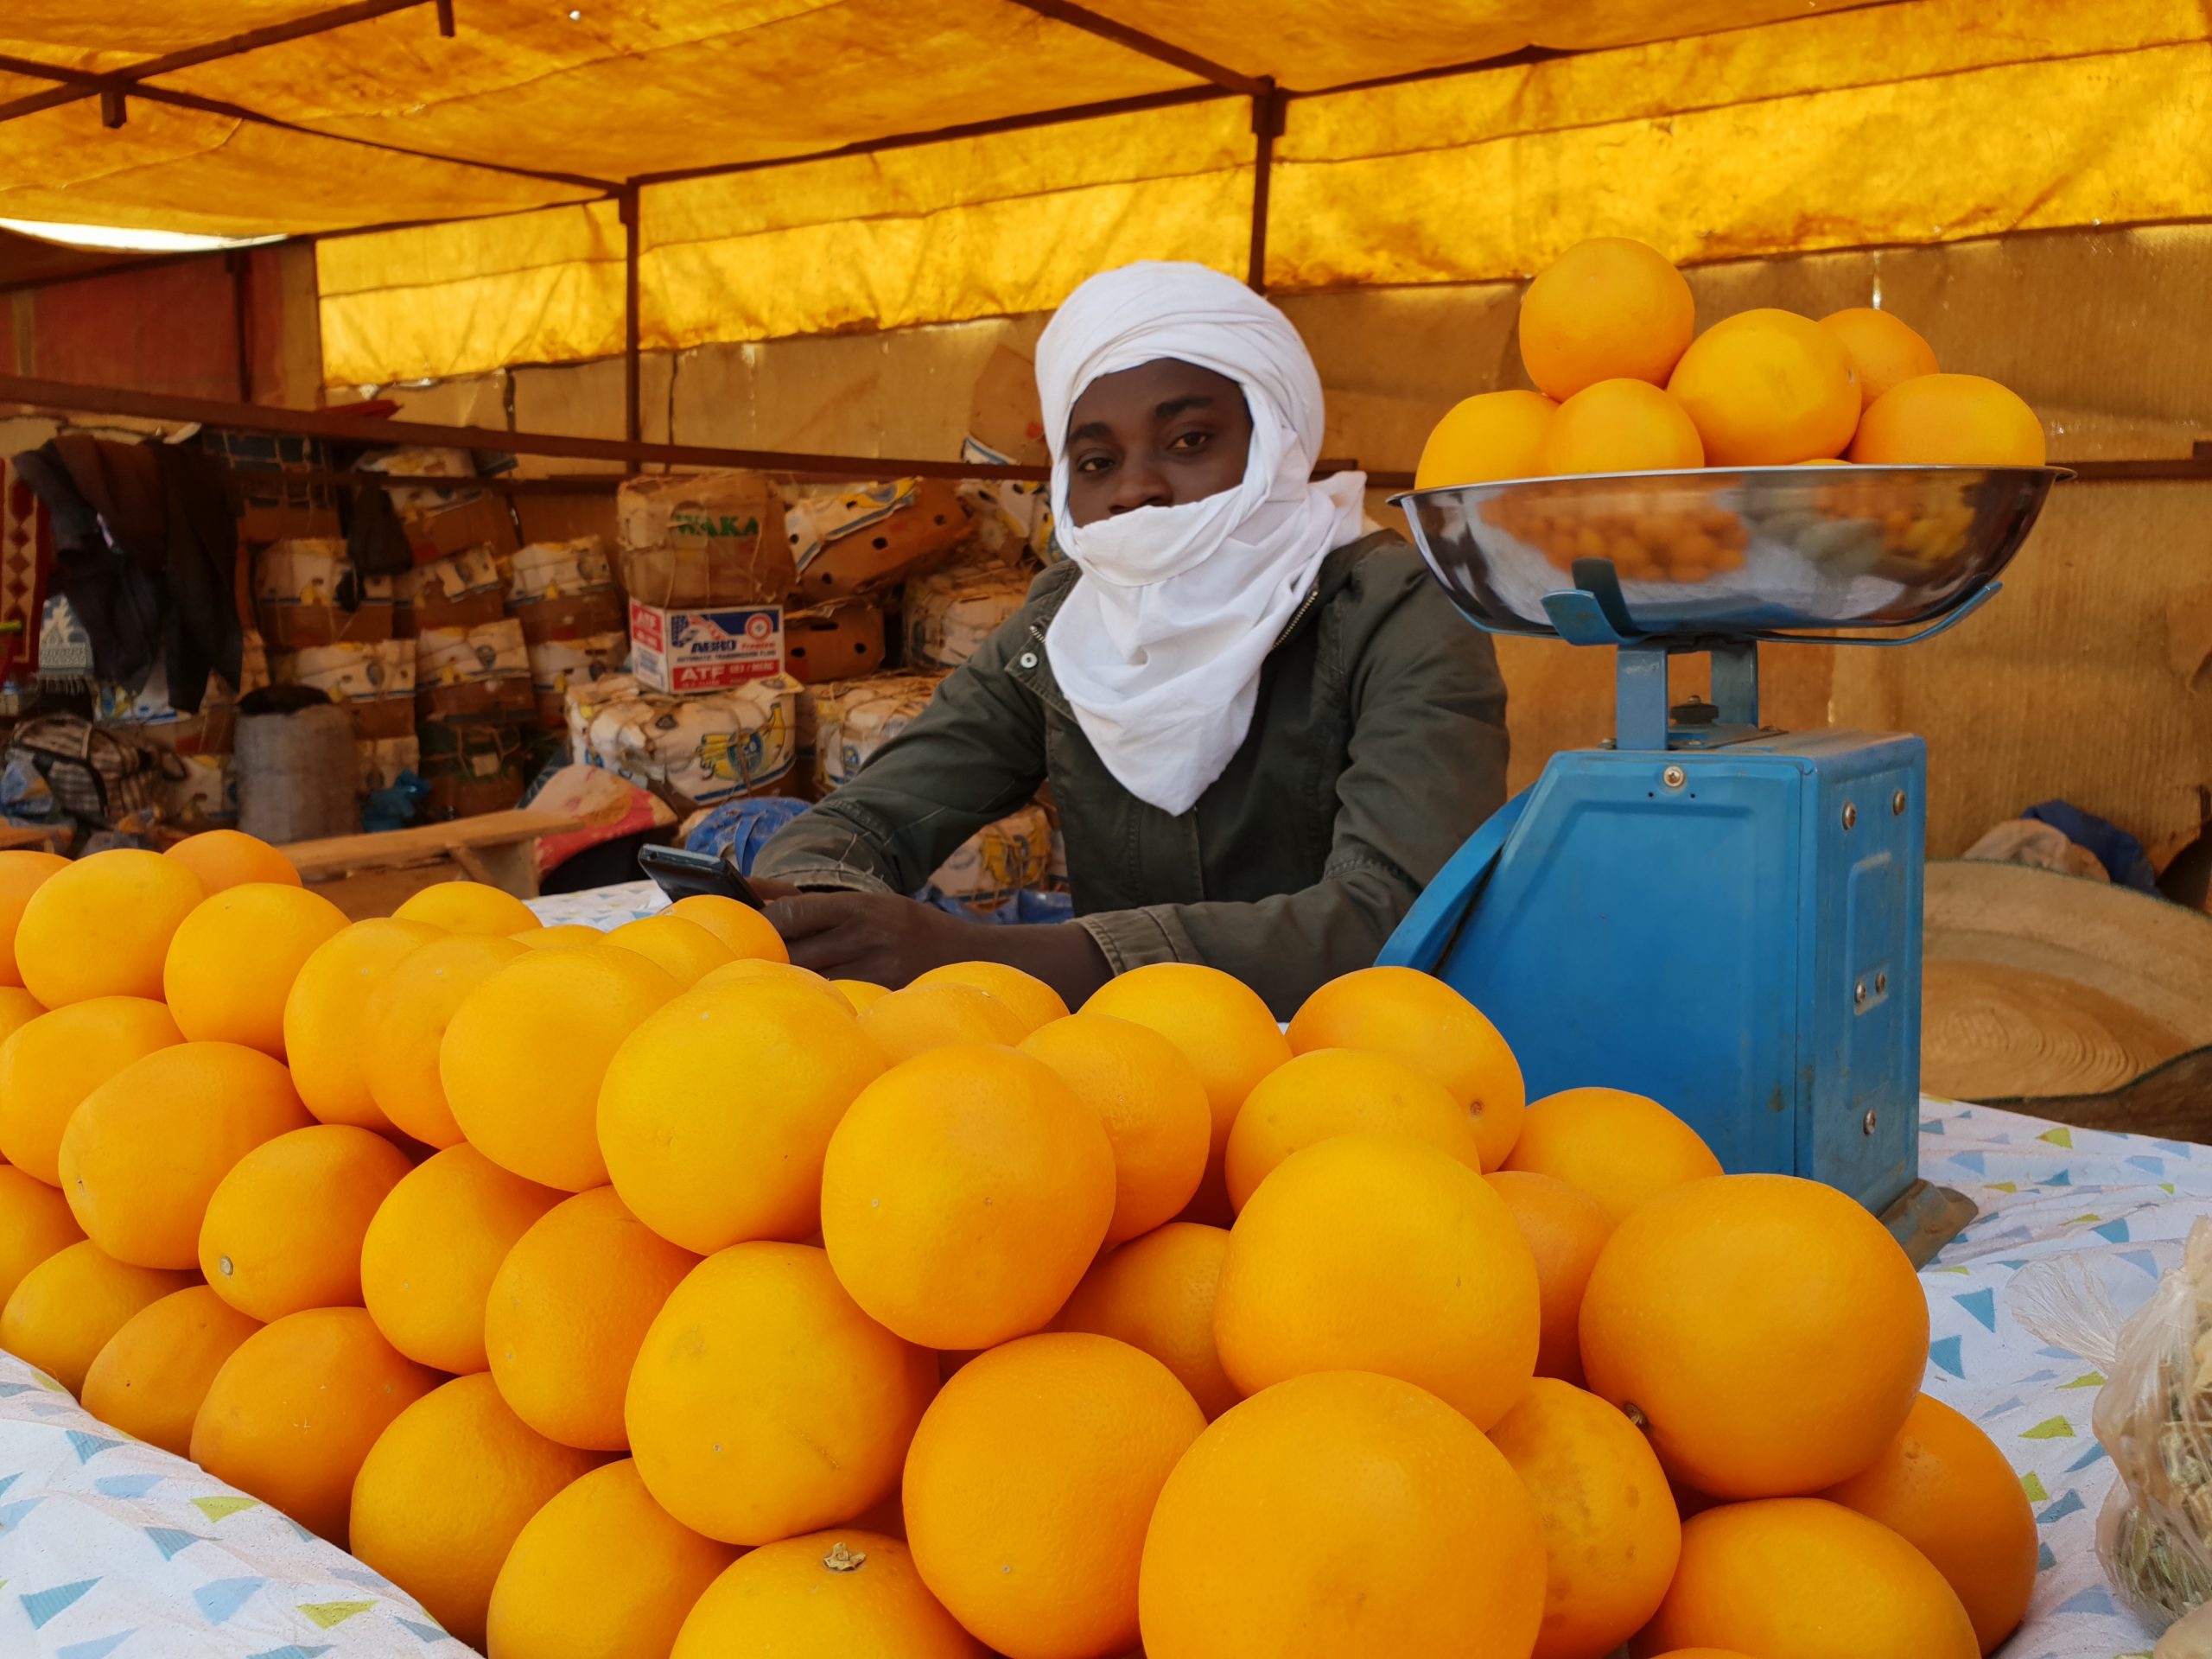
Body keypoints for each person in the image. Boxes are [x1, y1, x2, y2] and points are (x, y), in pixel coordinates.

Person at [751, 262, 1508, 1016]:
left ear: (1275, 439)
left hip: (1352, 1080)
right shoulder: (1069, 625)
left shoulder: (1397, 609)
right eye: (1096, 462)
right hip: (1130, 1083)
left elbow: (1395, 918)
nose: (1135, 488)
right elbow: (871, 816)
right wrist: (823, 907)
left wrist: (976, 954)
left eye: (1189, 440)